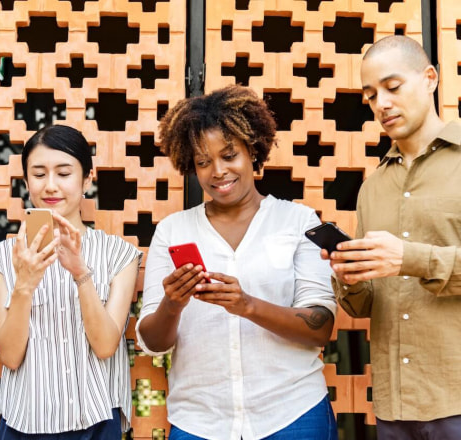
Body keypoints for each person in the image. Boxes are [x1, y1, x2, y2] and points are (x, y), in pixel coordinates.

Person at [136, 84, 338, 440]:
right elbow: (153, 342)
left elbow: (320, 327)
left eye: (230, 155)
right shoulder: (173, 230)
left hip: (292, 414)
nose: (218, 171)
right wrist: (172, 304)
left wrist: (247, 305)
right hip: (200, 420)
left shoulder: (298, 222)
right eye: (203, 161)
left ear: (252, 151)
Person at [326, 35, 461, 439]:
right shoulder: (373, 187)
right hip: (394, 405)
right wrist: (348, 277)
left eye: (392, 87)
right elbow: (366, 305)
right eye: (370, 95)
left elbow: (407, 261)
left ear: (430, 78)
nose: (380, 103)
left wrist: (410, 259)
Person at [0, 124, 142, 439]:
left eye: (64, 173)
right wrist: (25, 285)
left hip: (96, 418)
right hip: (24, 421)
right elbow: (11, 356)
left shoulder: (119, 254)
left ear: (87, 178)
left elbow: (105, 345)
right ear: (27, 181)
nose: (51, 186)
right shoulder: (2, 258)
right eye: (39, 174)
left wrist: (81, 274)